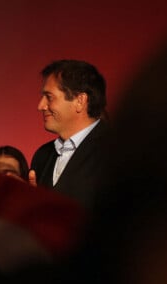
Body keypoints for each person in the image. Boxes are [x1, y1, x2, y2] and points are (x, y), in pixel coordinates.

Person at [29, 60, 109, 209]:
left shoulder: (116, 150)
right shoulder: (42, 156)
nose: (40, 106)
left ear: (80, 101)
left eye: (49, 97)